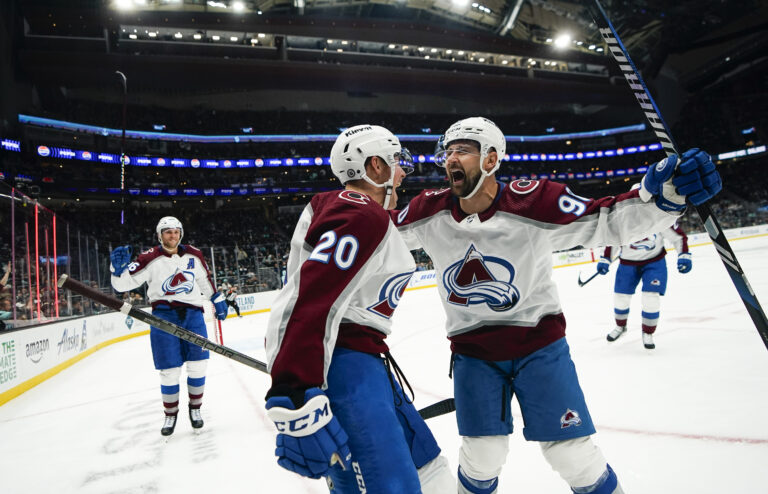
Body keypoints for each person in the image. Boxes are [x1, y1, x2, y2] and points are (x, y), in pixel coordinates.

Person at [391, 116, 721, 494]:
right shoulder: (428, 210)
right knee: (482, 455)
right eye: (447, 151)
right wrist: (338, 211)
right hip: (473, 354)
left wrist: (664, 198)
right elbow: (376, 235)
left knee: (572, 455)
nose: (451, 159)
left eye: (463, 149)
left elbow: (604, 220)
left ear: (491, 159)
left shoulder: (533, 200)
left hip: (539, 348)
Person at [264, 125, 455, 493]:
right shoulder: (360, 212)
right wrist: (295, 389)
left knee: (429, 471)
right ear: (375, 167)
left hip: (366, 368)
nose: (403, 172)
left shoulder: (359, 212)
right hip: (346, 372)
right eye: (397, 162)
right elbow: (310, 299)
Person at [110, 216, 228, 436]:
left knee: (198, 364)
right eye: (167, 232)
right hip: (163, 317)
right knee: (169, 370)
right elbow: (122, 285)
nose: (172, 236)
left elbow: (204, 280)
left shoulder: (195, 254)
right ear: (160, 235)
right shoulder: (149, 258)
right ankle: (170, 414)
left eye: (175, 231)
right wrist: (116, 271)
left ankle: (195, 410)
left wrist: (216, 298)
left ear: (180, 233)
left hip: (193, 315)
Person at [597, 217, 691, 349]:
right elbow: (612, 242)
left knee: (651, 298)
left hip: (654, 262)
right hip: (627, 263)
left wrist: (684, 255)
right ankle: (620, 325)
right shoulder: (621, 220)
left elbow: (678, 237)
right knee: (620, 297)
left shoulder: (658, 215)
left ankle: (648, 332)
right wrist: (605, 259)